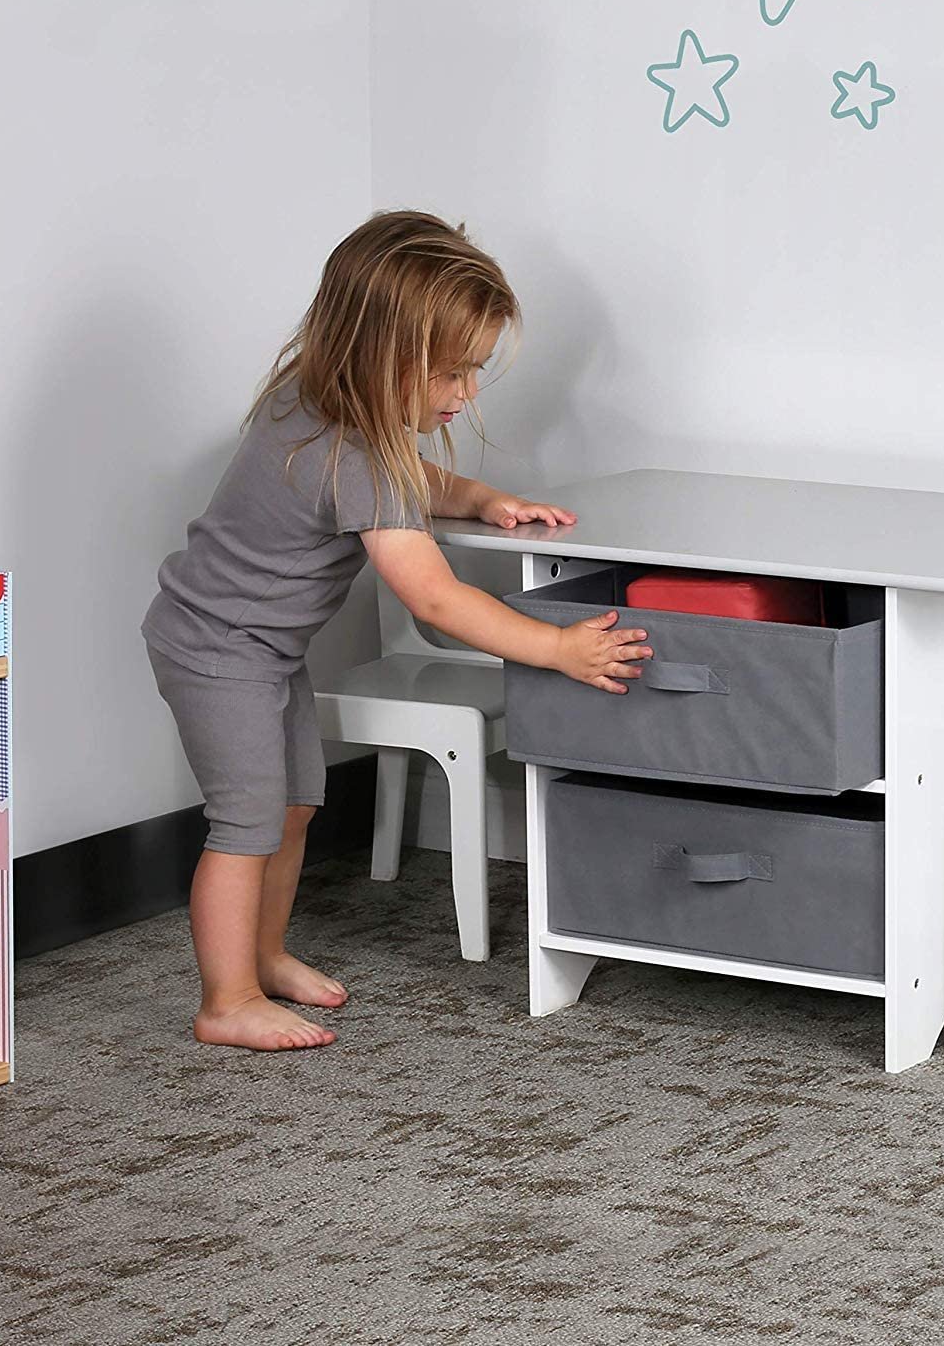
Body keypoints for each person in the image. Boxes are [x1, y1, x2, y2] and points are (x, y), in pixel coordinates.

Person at [141, 210, 652, 1051]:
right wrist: (557, 648)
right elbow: (436, 600)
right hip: (217, 649)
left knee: (295, 804)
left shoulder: (318, 400)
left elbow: (406, 474)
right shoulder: (350, 455)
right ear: (383, 356)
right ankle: (225, 1000)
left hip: (255, 646)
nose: (468, 393)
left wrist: (480, 498)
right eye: (454, 372)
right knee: (245, 823)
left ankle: (263, 957)